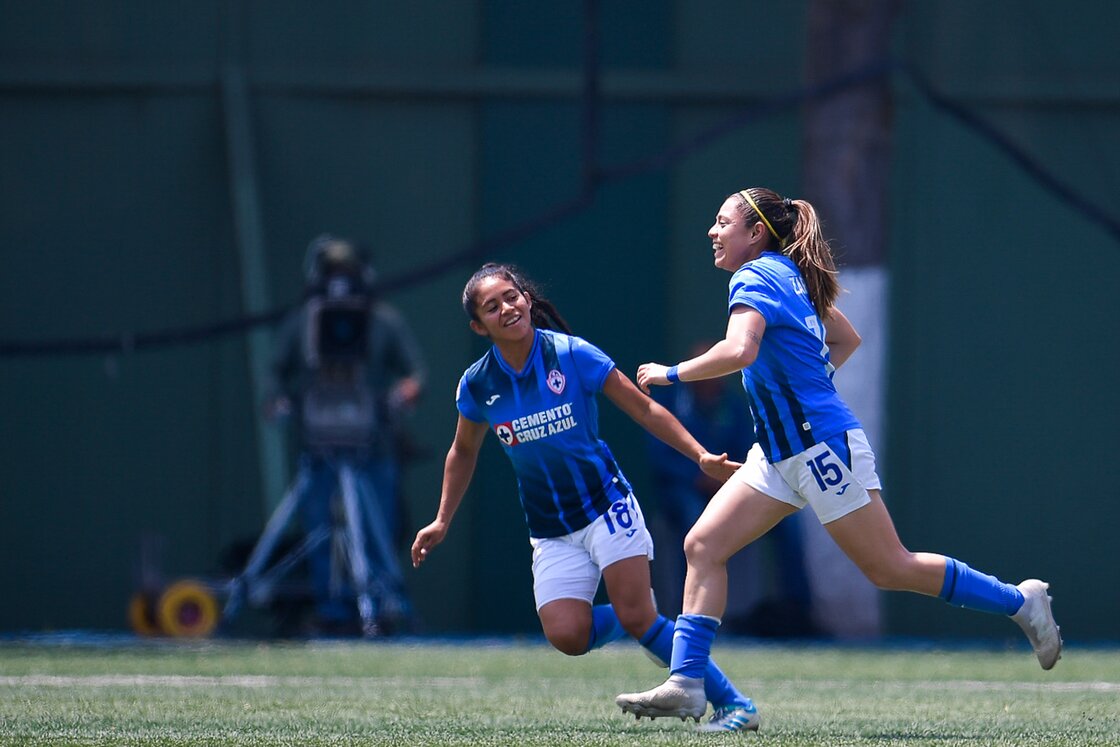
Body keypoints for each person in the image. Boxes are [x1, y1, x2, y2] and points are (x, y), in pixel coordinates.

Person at [615, 187, 1063, 726]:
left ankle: (1021, 600)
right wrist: (810, 383)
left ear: (756, 233)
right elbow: (845, 339)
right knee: (704, 544)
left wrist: (670, 374)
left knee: (889, 566)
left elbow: (740, 351)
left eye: (722, 221)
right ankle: (688, 683)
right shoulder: (790, 276)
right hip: (780, 453)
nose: (712, 231)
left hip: (819, 445)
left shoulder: (754, 275)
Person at [411, 262, 761, 733]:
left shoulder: (573, 355)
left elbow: (644, 408)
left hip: (606, 507)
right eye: (491, 307)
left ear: (527, 299)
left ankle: (735, 705)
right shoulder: (478, 384)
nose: (506, 308)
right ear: (479, 326)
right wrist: (441, 520)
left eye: (511, 297)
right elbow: (463, 451)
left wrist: (700, 457)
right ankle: (638, 616)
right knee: (568, 635)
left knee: (641, 617)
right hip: (550, 529)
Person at [264, 234, 425, 635]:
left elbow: (416, 371)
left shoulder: (383, 321)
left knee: (376, 526)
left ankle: (382, 605)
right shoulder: (303, 321)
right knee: (318, 525)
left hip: (373, 442)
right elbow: (274, 369)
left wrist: (405, 392)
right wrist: (278, 400)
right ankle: (331, 609)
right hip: (318, 442)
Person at [645, 340, 815, 636]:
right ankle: (686, 616)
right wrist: (696, 474)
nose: (711, 377)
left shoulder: (735, 406)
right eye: (704, 370)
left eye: (716, 369)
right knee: (694, 520)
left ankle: (797, 613)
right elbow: (659, 456)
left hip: (731, 483)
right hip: (684, 490)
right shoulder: (670, 404)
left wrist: (728, 475)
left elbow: (750, 449)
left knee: (791, 524)